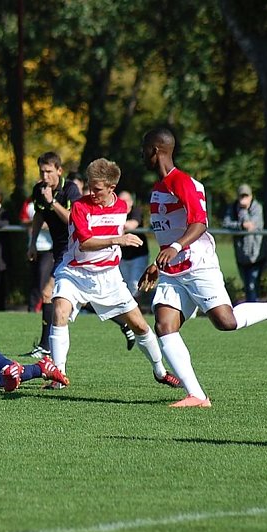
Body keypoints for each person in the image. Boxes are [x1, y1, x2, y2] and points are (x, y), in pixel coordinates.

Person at [141, 127, 267, 408]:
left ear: (155, 151)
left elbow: (199, 224)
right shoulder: (157, 190)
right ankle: (197, 395)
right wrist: (157, 263)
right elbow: (168, 233)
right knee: (164, 326)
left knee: (226, 323)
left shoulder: (183, 183)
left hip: (199, 265)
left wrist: (174, 248)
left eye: (144, 150)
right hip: (173, 272)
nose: (142, 156)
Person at [17, 158, 178, 394]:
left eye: (97, 188)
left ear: (112, 187)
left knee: (141, 326)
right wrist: (118, 239)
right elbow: (85, 243)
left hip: (108, 276)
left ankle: (160, 371)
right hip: (74, 271)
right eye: (89, 186)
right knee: (59, 311)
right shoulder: (80, 207)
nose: (91, 192)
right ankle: (58, 374)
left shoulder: (122, 207)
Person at [23, 153, 83, 357]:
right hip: (55, 248)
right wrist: (32, 243)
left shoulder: (70, 189)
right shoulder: (38, 189)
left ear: (59, 170)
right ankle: (44, 345)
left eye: (49, 171)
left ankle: (45, 346)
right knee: (51, 294)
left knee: (49, 293)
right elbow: (39, 216)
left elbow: (73, 220)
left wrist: (53, 202)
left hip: (71, 248)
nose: (44, 175)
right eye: (41, 171)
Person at [221, 184, 265, 302]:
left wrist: (244, 211)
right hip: (240, 254)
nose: (243, 199)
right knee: (247, 286)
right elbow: (226, 223)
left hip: (256, 254)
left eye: (246, 196)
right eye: (241, 196)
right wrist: (240, 225)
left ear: (251, 196)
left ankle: (253, 310)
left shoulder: (257, 208)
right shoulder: (233, 208)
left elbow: (251, 226)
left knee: (252, 285)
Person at [18, 194, 53, 313]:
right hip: (34, 246)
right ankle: (33, 308)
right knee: (35, 279)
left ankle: (37, 307)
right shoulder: (29, 203)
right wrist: (35, 223)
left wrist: (48, 225)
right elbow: (23, 220)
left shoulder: (53, 202)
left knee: (42, 278)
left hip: (49, 247)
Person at [117, 190, 150, 300]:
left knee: (135, 284)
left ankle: (137, 308)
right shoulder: (115, 213)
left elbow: (133, 224)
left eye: (126, 201)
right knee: (123, 285)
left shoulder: (136, 211)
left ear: (131, 202)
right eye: (120, 201)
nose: (123, 203)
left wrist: (117, 226)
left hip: (138, 255)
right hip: (122, 256)